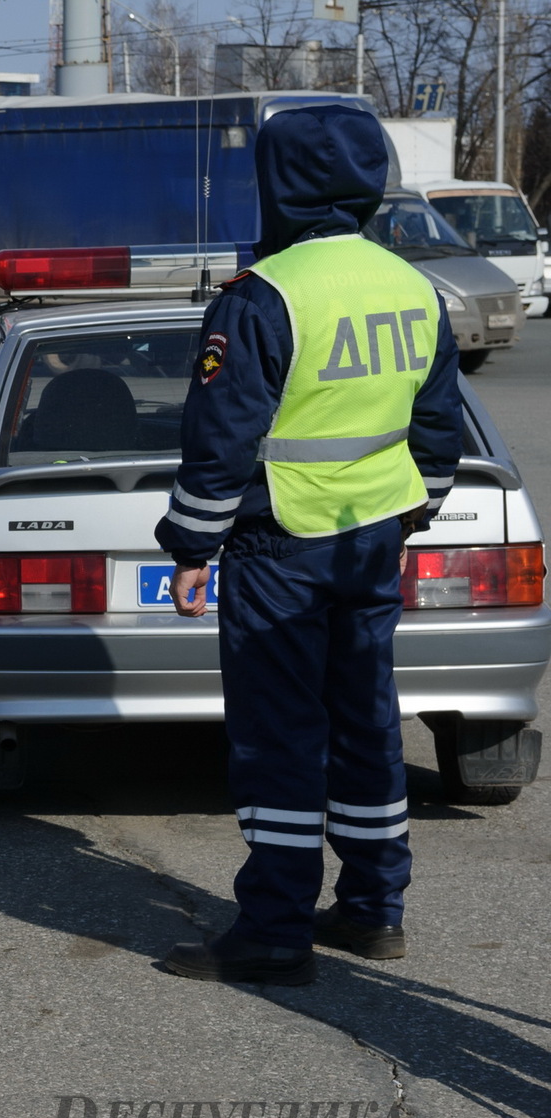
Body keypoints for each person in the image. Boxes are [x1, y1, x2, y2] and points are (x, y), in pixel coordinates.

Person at [155, 104, 463, 986]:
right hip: (371, 545)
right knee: (366, 725)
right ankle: (374, 911)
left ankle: (274, 933)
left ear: (277, 186)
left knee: (280, 739)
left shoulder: (263, 297)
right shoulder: (414, 288)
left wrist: (189, 551)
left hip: (279, 547)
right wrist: (412, 519)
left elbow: (221, 445)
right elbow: (438, 431)